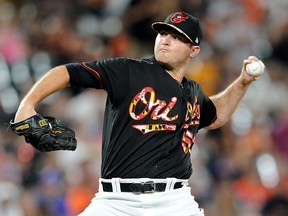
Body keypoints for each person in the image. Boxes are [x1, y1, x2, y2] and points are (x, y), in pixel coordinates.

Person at [13, 12, 262, 216]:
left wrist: (242, 82)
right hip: (115, 201)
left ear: (193, 50)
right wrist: (28, 104)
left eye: (176, 37)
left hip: (174, 201)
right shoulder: (129, 72)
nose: (165, 40)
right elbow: (68, 72)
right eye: (163, 33)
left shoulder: (193, 92)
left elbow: (214, 115)